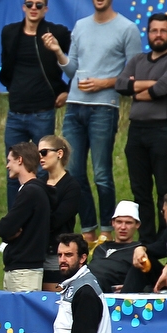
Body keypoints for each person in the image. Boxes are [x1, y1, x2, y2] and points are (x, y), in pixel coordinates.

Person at [43, 0, 142, 243]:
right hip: (75, 106)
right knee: (73, 171)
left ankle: (107, 230)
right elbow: (73, 70)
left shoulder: (127, 28)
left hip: (104, 107)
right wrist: (58, 51)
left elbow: (134, 73)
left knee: (101, 173)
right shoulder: (80, 25)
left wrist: (104, 83)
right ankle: (88, 229)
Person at [0, 0, 71, 211]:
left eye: (39, 5)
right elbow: (6, 66)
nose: (33, 8)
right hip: (16, 111)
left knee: (42, 170)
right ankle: (15, 225)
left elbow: (72, 62)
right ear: (23, 6)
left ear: (46, 9)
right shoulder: (10, 32)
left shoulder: (56, 32)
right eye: (29, 3)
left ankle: (39, 219)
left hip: (43, 111)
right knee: (13, 170)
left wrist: (66, 90)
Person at [115, 13, 167, 244]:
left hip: (162, 131)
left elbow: (161, 89)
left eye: (163, 30)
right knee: (141, 190)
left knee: (164, 190)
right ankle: (146, 240)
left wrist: (137, 88)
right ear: (148, 33)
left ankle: (164, 238)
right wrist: (150, 86)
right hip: (136, 132)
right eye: (154, 30)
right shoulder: (137, 59)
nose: (158, 35)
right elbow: (120, 84)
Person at [48, 233, 113, 333]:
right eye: (60, 255)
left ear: (83, 258)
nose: (63, 260)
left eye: (69, 255)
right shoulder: (77, 285)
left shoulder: (85, 291)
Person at [0, 141, 51, 292]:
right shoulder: (34, 190)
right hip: (24, 269)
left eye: (9, 161)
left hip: (24, 271)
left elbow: (3, 228)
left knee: (22, 315)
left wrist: (8, 232)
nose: (7, 166)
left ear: (20, 160)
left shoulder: (30, 192)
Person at [39, 134, 80, 292]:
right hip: (37, 251)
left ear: (59, 153)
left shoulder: (72, 186)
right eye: (38, 154)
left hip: (57, 252)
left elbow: (57, 220)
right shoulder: (38, 183)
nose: (40, 157)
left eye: (44, 152)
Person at [91, 200, 155, 292]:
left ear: (137, 225)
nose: (123, 227)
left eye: (128, 223)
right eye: (119, 222)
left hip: (106, 289)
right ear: (113, 223)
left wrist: (130, 286)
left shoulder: (139, 251)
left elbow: (151, 280)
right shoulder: (100, 248)